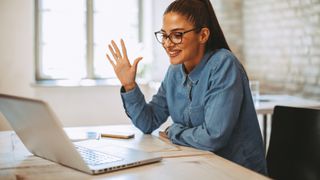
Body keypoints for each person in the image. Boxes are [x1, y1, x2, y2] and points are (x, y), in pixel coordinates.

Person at [106, 0, 267, 175]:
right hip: (199, 167)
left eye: (177, 35)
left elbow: (213, 137)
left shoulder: (223, 64)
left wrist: (175, 131)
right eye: (164, 35)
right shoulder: (175, 71)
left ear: (203, 35)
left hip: (236, 172)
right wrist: (129, 85)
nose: (167, 44)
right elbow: (148, 122)